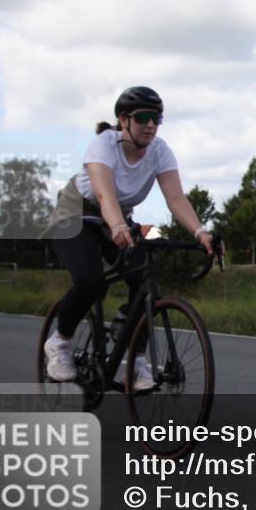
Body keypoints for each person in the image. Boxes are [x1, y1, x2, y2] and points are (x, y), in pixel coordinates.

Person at [42, 86, 215, 389]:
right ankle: (60, 342)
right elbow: (103, 193)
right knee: (90, 280)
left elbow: (176, 199)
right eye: (144, 118)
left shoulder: (160, 151)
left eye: (157, 118)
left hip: (116, 219)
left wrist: (200, 232)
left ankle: (135, 359)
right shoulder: (103, 145)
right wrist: (120, 228)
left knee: (147, 284)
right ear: (123, 120)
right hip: (76, 215)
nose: (151, 125)